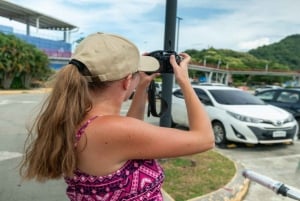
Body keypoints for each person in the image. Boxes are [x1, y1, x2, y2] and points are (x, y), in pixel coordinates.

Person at [19, 32, 214, 201]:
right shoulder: (111, 130)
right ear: (127, 80)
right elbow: (204, 139)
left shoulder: (77, 120)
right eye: (136, 74)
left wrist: (142, 86)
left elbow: (131, 138)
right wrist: (185, 82)